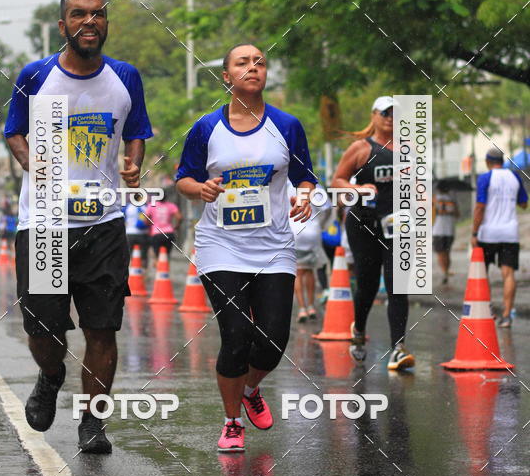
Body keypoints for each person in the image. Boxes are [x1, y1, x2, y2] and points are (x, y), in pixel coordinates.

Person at [4, 0, 153, 454]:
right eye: (79, 15)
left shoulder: (125, 76)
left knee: (102, 327)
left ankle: (93, 421)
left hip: (103, 222)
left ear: (106, 23)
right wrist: (32, 163)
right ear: (63, 24)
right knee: (43, 329)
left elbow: (137, 133)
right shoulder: (37, 75)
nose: (90, 22)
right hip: (44, 222)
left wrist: (133, 163)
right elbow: (13, 132)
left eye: (98, 15)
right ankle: (51, 376)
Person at [176, 43, 317, 452]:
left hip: (274, 246)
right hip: (221, 245)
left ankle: (252, 389)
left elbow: (306, 176)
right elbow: (183, 178)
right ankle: (232, 420)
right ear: (226, 75)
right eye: (243, 63)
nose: (253, 68)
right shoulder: (206, 128)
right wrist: (200, 188)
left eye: (260, 62)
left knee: (272, 339)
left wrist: (304, 196)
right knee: (235, 335)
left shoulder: (287, 125)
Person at [332, 96, 414, 371]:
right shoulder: (361, 148)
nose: (391, 118)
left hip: (397, 225)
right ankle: (359, 332)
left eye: (395, 113)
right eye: (385, 113)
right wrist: (355, 189)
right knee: (367, 285)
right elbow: (337, 180)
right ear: (374, 115)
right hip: (363, 223)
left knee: (397, 286)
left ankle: (398, 349)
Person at [473, 146, 528, 327]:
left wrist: (474, 232)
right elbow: (524, 204)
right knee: (508, 273)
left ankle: (488, 311)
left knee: (483, 272)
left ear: (488, 162)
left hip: (488, 233)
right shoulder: (515, 177)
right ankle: (506, 315)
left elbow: (480, 207)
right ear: (503, 162)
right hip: (509, 233)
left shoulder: (485, 178)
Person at [288, 182, 328, 321]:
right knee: (310, 271)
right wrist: (319, 226)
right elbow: (326, 209)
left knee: (298, 272)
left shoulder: (287, 184)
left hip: (295, 232)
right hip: (313, 234)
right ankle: (311, 306)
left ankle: (302, 309)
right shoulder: (316, 187)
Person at [432, 183, 459, 284]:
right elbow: (457, 214)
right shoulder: (452, 200)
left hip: (437, 229)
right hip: (449, 230)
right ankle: (446, 271)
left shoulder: (434, 199)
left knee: (440, 253)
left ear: (438, 189)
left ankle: (444, 272)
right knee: (447, 253)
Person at [144, 189, 182, 258]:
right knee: (166, 256)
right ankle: (165, 266)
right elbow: (179, 217)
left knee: (157, 256)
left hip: (156, 234)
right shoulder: (171, 206)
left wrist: (150, 226)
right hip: (169, 233)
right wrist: (176, 226)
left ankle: (158, 265)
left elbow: (146, 219)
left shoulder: (151, 205)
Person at [124, 200, 149, 265]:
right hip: (143, 234)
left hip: (130, 233)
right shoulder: (145, 207)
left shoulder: (128, 207)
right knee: (144, 255)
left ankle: (131, 270)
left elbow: (124, 220)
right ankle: (144, 272)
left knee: (129, 255)